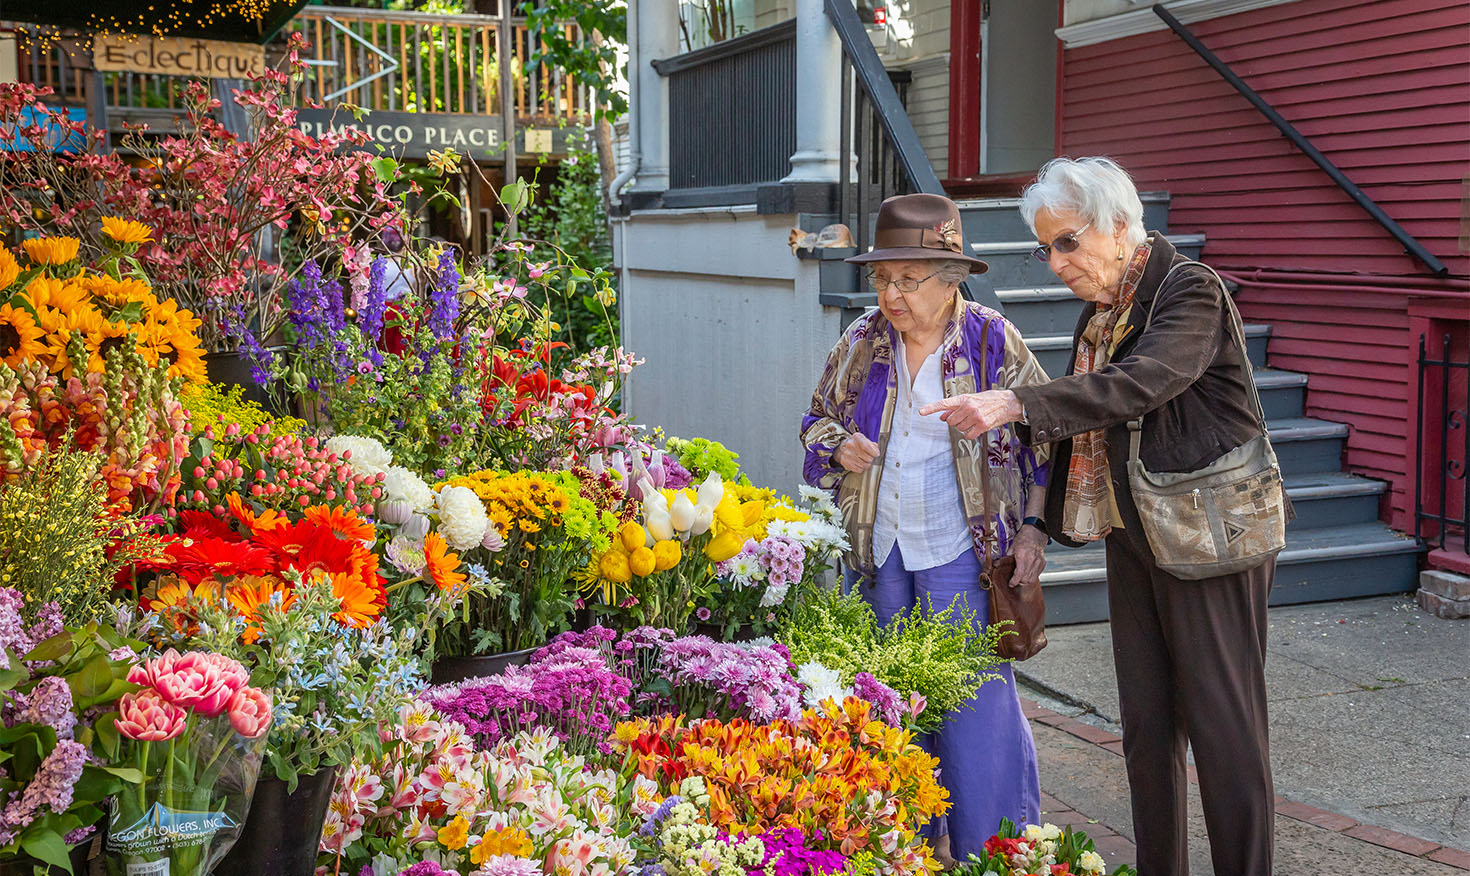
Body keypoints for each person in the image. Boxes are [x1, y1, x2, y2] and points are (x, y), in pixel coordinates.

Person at [938, 157, 1276, 876]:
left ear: (1120, 226)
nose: (1057, 261)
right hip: (1136, 535)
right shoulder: (1101, 311)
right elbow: (1083, 423)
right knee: (1147, 731)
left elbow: (1139, 385)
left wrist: (1016, 402)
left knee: (1225, 732)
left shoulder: (1190, 291)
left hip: (1209, 536)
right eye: (1045, 247)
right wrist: (1034, 527)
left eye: (1068, 242)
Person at [799, 192, 1050, 860]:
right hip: (878, 549)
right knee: (888, 708)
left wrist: (1033, 530)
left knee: (974, 711)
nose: (891, 294)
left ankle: (993, 856)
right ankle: (902, 852)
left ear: (952, 280)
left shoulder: (994, 340)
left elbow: (1051, 436)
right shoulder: (861, 341)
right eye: (882, 279)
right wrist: (838, 446)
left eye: (907, 281)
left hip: (963, 550)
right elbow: (815, 419)